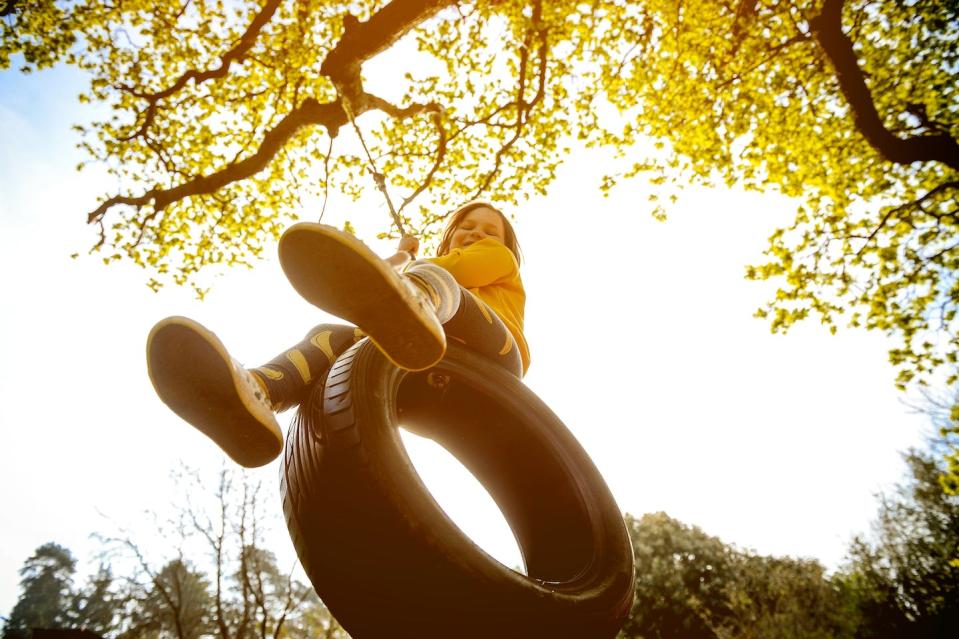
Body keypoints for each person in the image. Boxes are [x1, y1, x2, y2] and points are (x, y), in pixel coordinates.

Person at [147, 201, 529, 468]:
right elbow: (391, 277)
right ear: (450, 236)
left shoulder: (497, 258)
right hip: (425, 375)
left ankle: (412, 301)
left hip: (494, 357)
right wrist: (400, 256)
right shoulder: (429, 274)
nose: (476, 233)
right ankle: (257, 394)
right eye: (466, 227)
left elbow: (454, 273)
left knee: (438, 283)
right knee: (330, 337)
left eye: (488, 230)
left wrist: (406, 268)